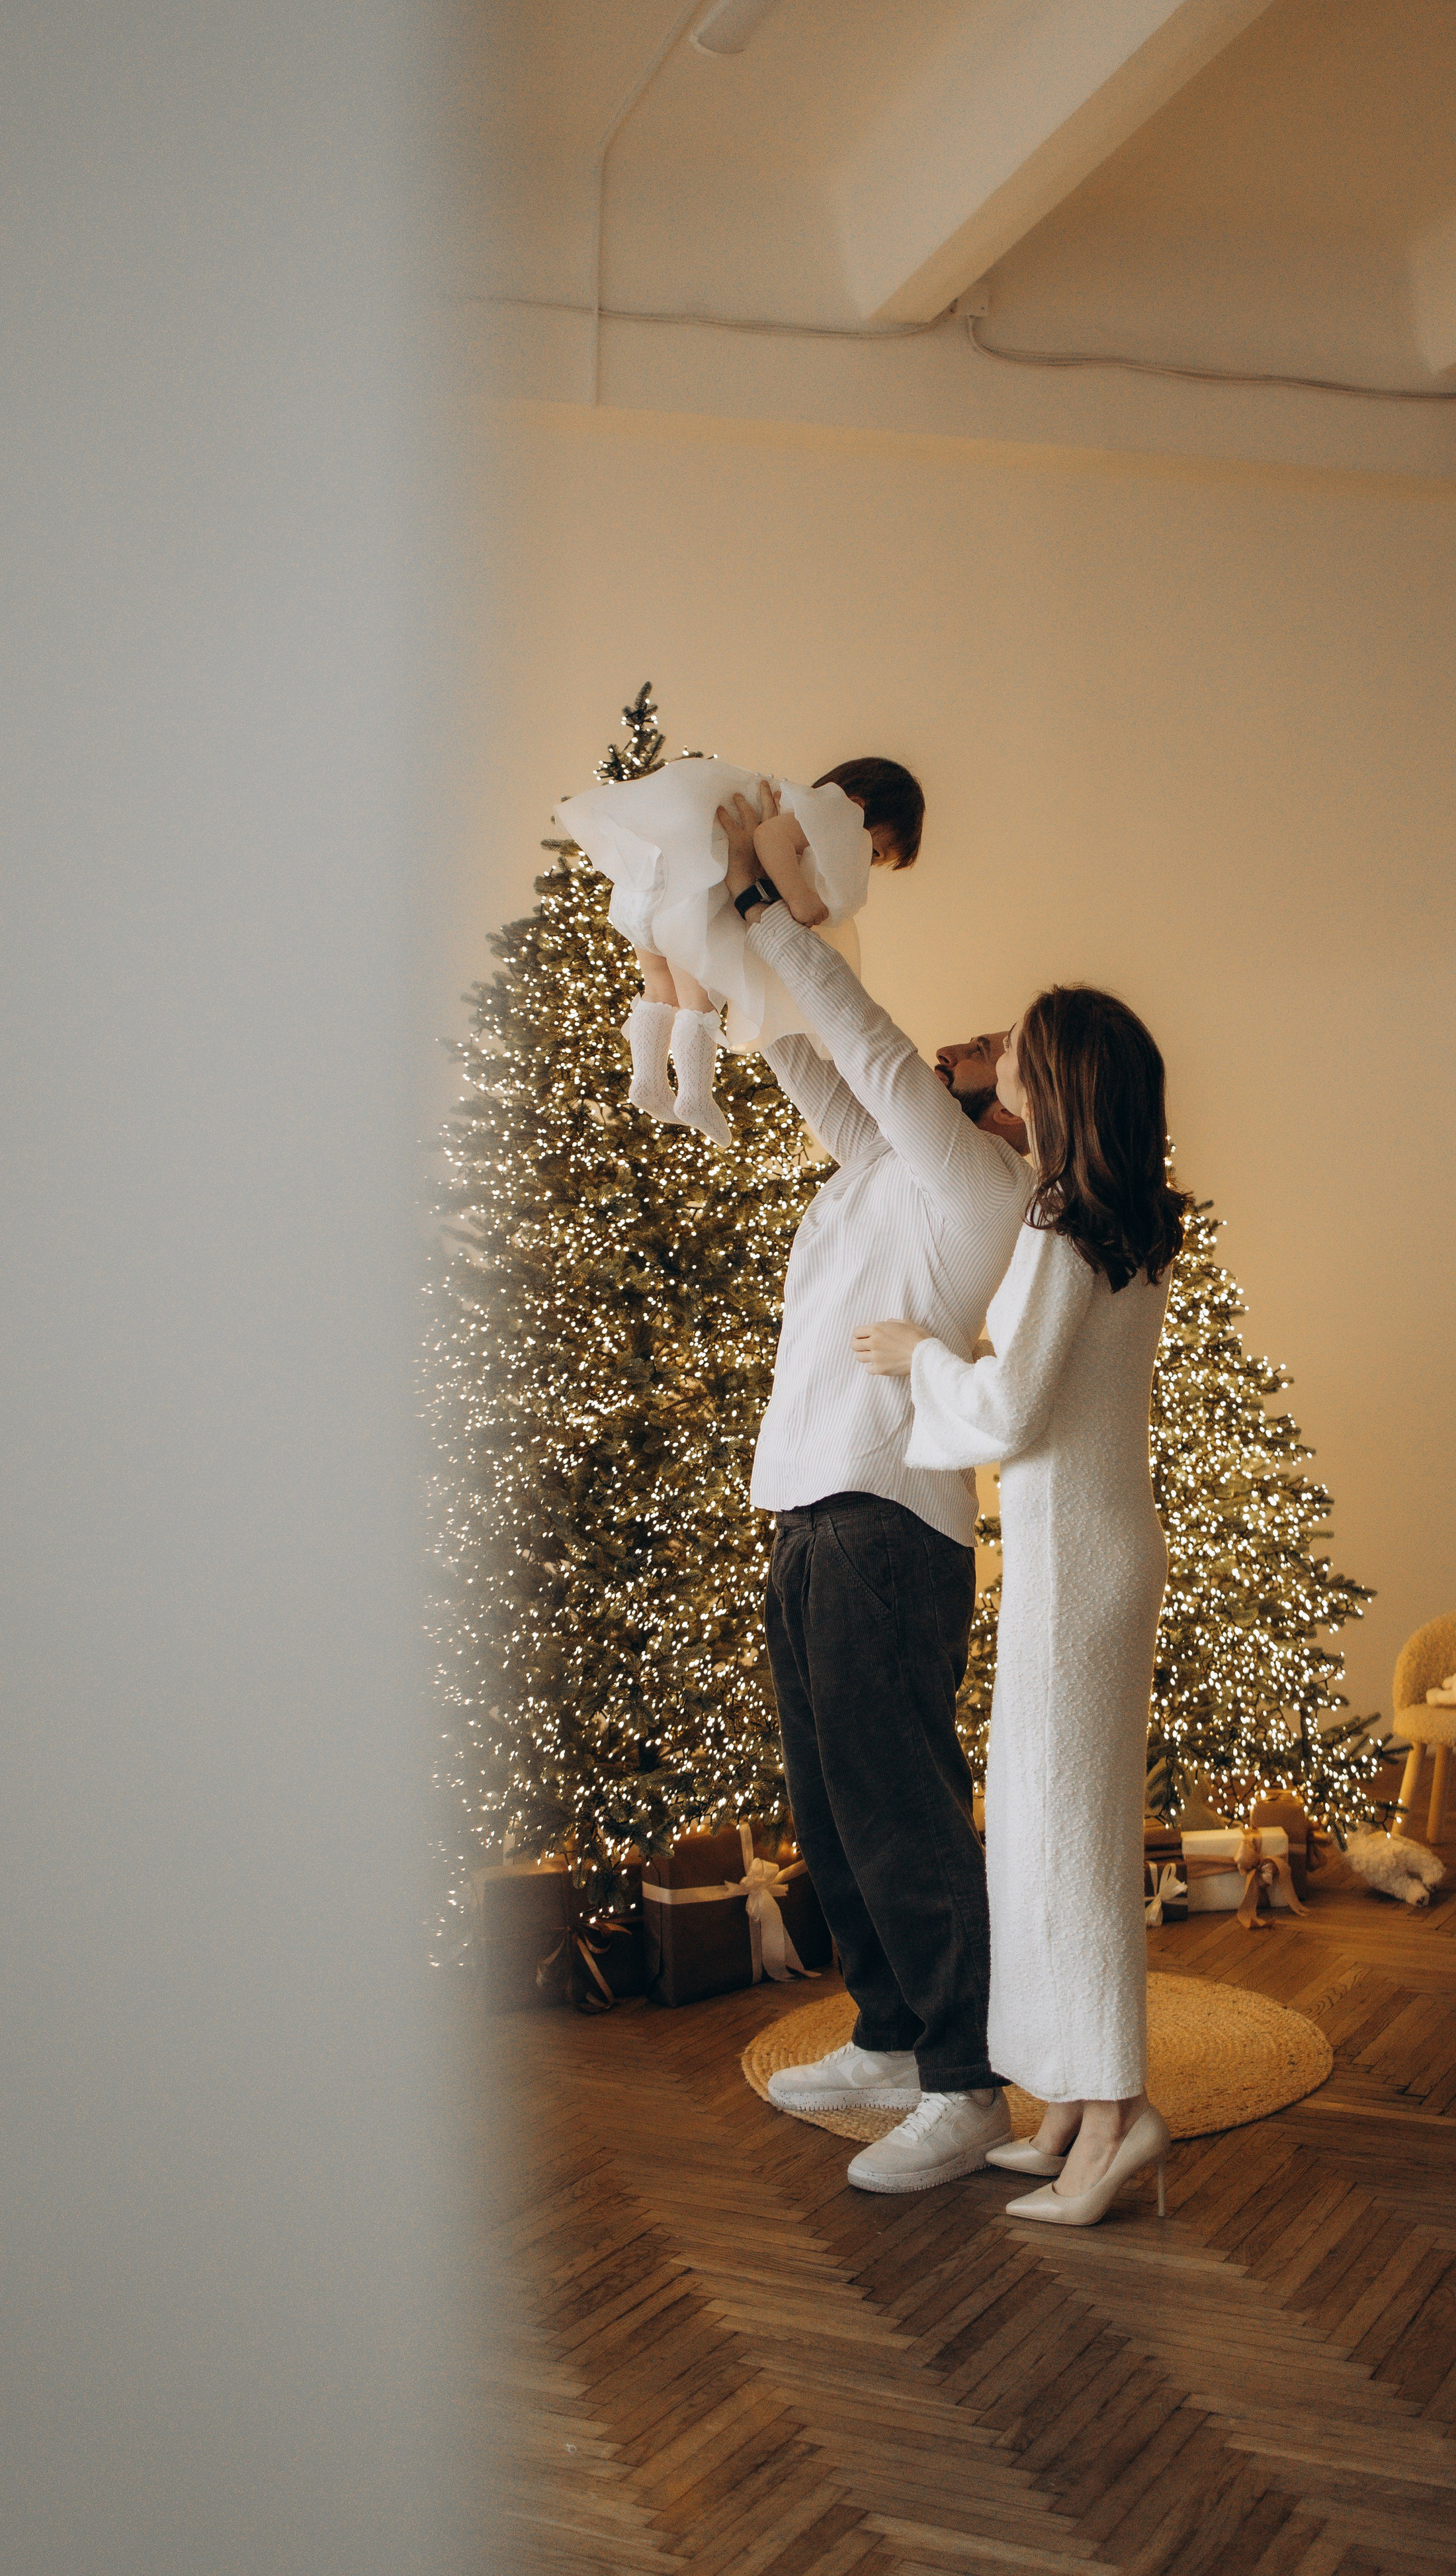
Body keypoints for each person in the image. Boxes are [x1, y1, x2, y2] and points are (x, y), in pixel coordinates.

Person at [718, 784, 1032, 2195]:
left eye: (997, 1047)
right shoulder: (876, 1172)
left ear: (1016, 1105)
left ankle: (965, 2080)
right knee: (830, 1799)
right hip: (808, 1506)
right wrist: (723, 935)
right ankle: (894, 2035)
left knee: (897, 1799)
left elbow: (859, 1034)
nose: (967, 1041)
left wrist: (763, 901)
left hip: (889, 1523)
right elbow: (802, 1052)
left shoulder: (976, 1183)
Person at [853, 987, 1187, 2226]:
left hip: (1078, 1564)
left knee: (1064, 1848)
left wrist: (917, 1357)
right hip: (1091, 1551)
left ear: (1061, 1084)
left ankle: (1115, 2115)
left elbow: (1009, 1412)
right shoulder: (1128, 1221)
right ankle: (1072, 2105)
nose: (1007, 1077)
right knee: (1051, 1835)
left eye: (1023, 1063)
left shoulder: (1060, 1229)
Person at [556, 754, 923, 1144]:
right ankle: (694, 1095)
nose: (864, 863)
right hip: (691, 890)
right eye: (875, 853)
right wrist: (799, 899)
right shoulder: (830, 813)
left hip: (643, 888)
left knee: (658, 985)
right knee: (698, 997)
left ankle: (647, 1080)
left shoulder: (792, 801)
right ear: (860, 806)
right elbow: (769, 839)